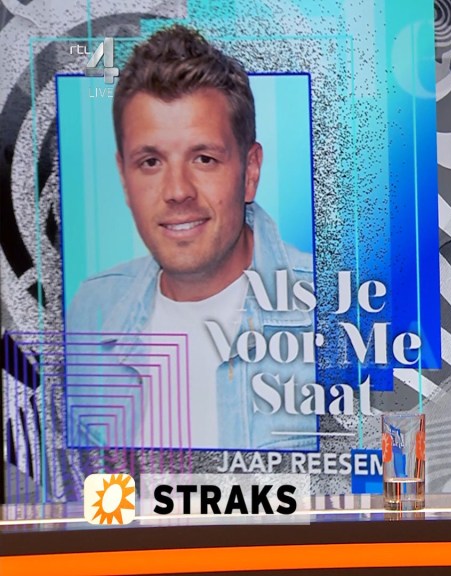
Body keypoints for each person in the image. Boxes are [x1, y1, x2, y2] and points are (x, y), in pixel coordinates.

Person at [66, 25, 316, 451]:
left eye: (204, 158)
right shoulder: (91, 310)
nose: (178, 191)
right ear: (124, 178)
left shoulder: (334, 311)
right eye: (150, 162)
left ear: (250, 171)